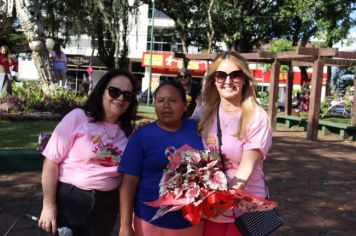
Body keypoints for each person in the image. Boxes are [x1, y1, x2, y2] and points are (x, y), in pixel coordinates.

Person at [38, 68, 139, 236]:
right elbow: (51, 161)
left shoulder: (128, 133)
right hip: (70, 202)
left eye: (127, 95)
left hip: (105, 209)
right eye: (114, 91)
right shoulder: (78, 117)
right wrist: (48, 206)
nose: (120, 98)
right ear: (102, 92)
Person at [197, 51, 272, 236]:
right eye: (221, 75)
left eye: (235, 75)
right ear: (214, 80)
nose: (228, 81)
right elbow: (179, 132)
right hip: (213, 204)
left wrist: (227, 196)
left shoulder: (256, 116)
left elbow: (246, 167)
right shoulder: (204, 112)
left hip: (246, 206)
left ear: (245, 79)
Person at [118, 80, 204, 236]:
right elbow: (128, 184)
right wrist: (124, 225)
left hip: (190, 222)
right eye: (160, 101)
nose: (166, 106)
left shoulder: (198, 131)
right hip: (148, 222)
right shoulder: (142, 136)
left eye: (173, 101)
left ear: (185, 106)